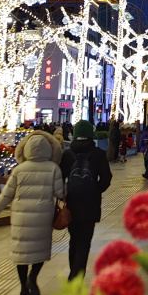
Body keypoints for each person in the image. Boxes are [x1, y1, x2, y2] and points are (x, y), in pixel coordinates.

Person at [0, 130, 64, 295]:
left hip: (20, 216)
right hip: (43, 215)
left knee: (21, 252)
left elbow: (7, 193)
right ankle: (33, 277)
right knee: (40, 249)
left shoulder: (19, 169)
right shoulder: (53, 168)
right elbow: (60, 193)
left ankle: (23, 287)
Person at [59, 120, 113, 281]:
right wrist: (95, 190)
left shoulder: (67, 154)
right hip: (91, 204)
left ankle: (73, 272)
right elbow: (106, 178)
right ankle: (76, 275)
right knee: (84, 242)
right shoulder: (98, 153)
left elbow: (60, 178)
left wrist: (65, 194)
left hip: (72, 203)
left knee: (73, 240)